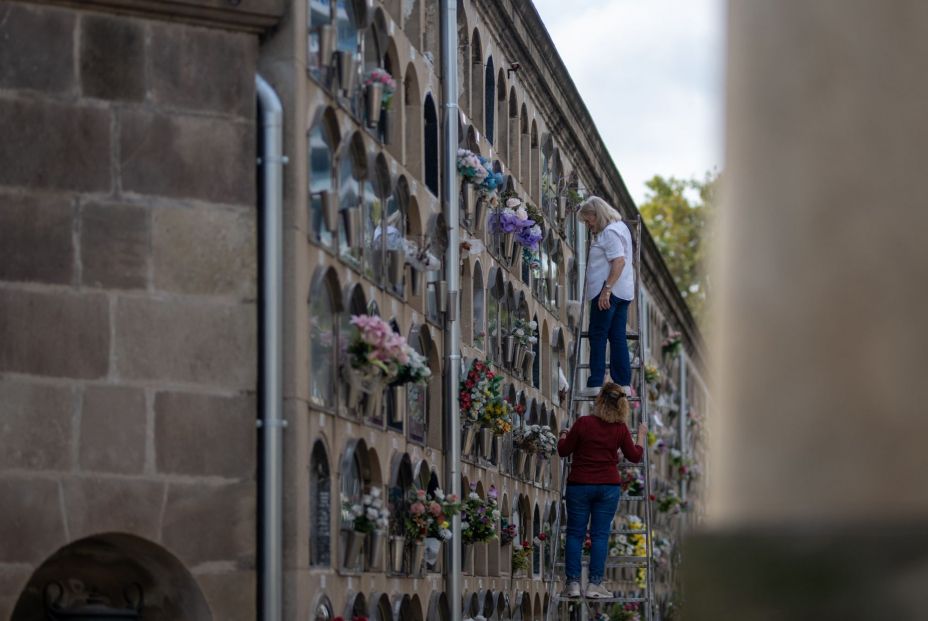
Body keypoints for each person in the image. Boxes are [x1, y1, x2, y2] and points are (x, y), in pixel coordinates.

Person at [557, 383, 647, 598]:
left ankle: (573, 584)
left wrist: (562, 434)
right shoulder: (620, 428)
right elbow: (635, 456)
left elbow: (563, 451)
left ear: (599, 401)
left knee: (575, 534)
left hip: (579, 485)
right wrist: (641, 435)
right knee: (599, 536)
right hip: (608, 487)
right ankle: (595, 585)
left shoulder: (583, 423)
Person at [576, 196, 635, 397]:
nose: (587, 224)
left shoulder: (609, 233)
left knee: (598, 334)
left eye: (588, 219)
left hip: (609, 292)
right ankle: (622, 382)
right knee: (617, 336)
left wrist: (606, 289)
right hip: (623, 291)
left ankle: (595, 382)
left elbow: (618, 261)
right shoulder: (621, 228)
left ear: (596, 214)